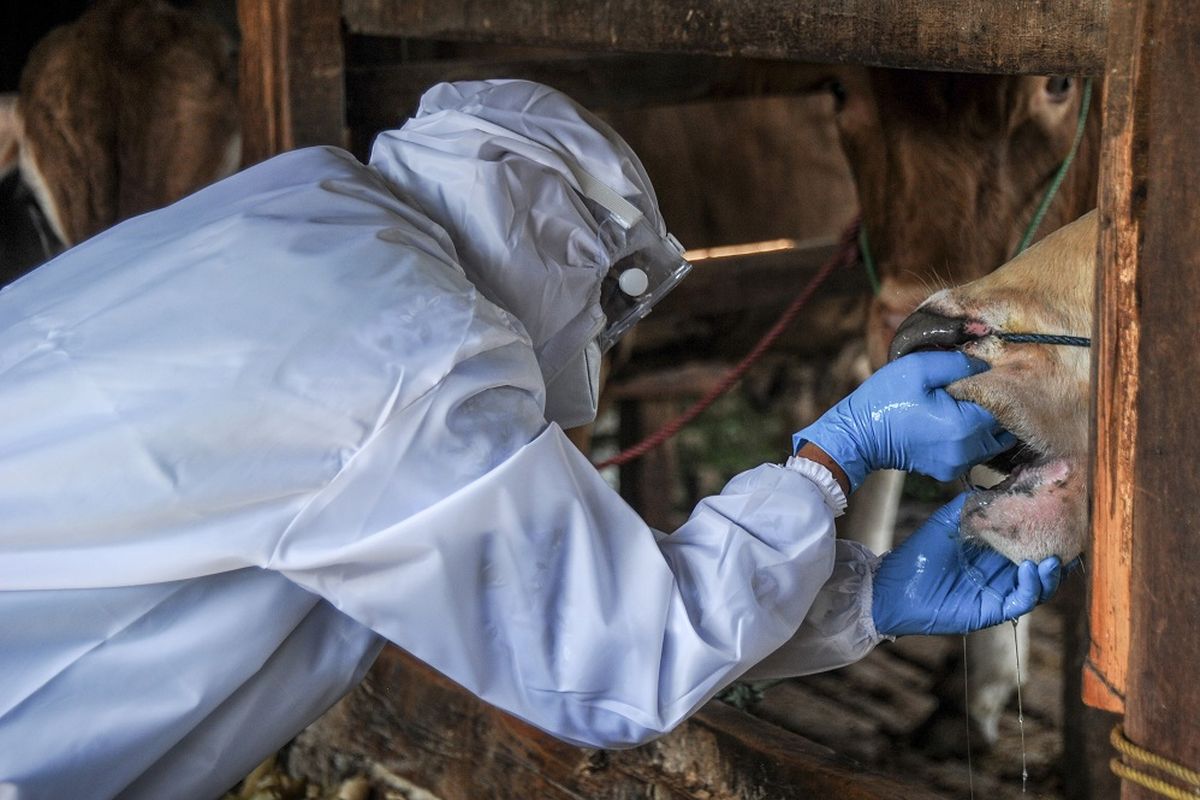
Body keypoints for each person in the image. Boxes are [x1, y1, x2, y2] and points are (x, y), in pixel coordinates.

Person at [0, 80, 1062, 799]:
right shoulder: (403, 350)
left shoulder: (304, 222)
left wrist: (856, 598)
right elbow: (616, 655)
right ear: (569, 259)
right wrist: (836, 454)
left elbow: (512, 614)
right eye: (603, 321)